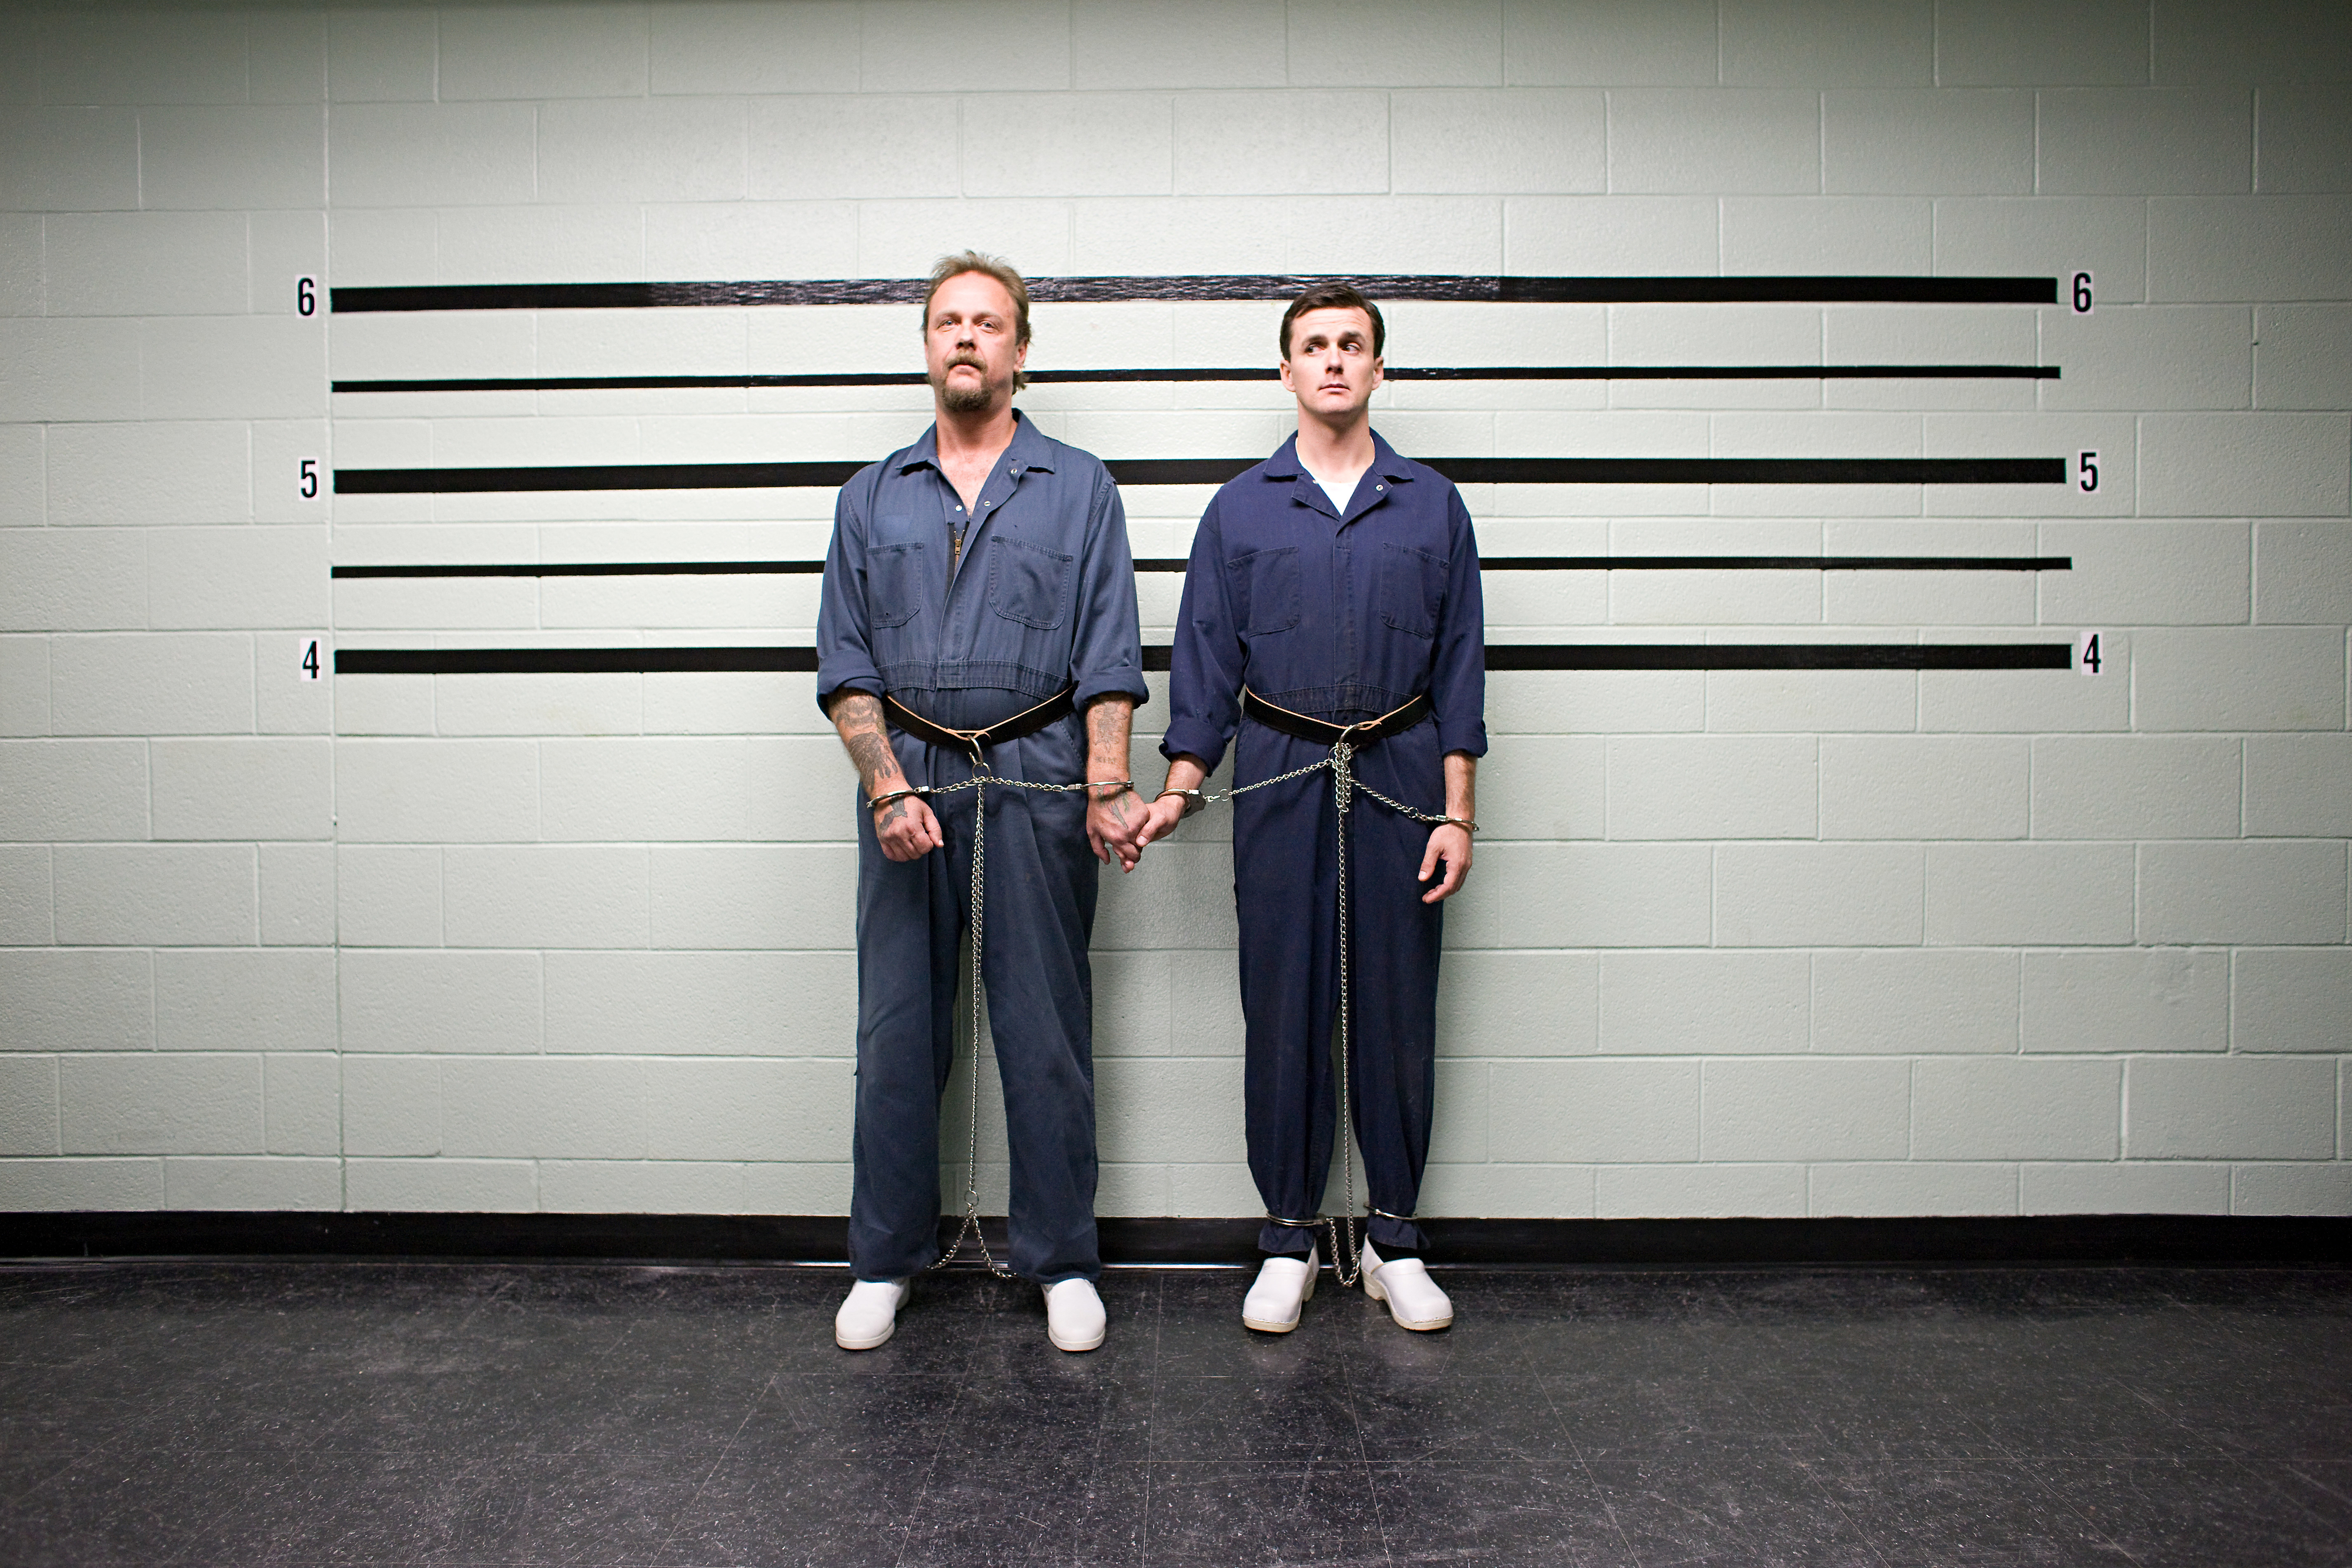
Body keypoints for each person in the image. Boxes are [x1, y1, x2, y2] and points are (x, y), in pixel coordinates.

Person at [816, 251, 1150, 1353]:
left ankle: (1060, 1262)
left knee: (1045, 1029)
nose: (967, 338)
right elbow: (848, 666)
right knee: (898, 1032)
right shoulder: (872, 496)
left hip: (1039, 779)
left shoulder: (1078, 486)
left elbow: (1108, 655)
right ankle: (884, 1259)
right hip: (911, 781)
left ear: (1020, 350)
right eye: (948, 322)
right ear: (926, 347)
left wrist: (1106, 788)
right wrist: (885, 787)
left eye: (989, 323)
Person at [1136, 284, 1485, 1335]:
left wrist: (1456, 813)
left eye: (1352, 345)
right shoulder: (1240, 510)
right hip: (1283, 775)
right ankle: (1287, 1235)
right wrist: (1175, 793)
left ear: (1378, 368)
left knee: (1394, 1011)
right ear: (1285, 372)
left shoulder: (1432, 506)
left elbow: (1463, 670)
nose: (1333, 362)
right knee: (1283, 1005)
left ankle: (1393, 1241)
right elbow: (1203, 669)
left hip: (1402, 771)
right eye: (1313, 347)